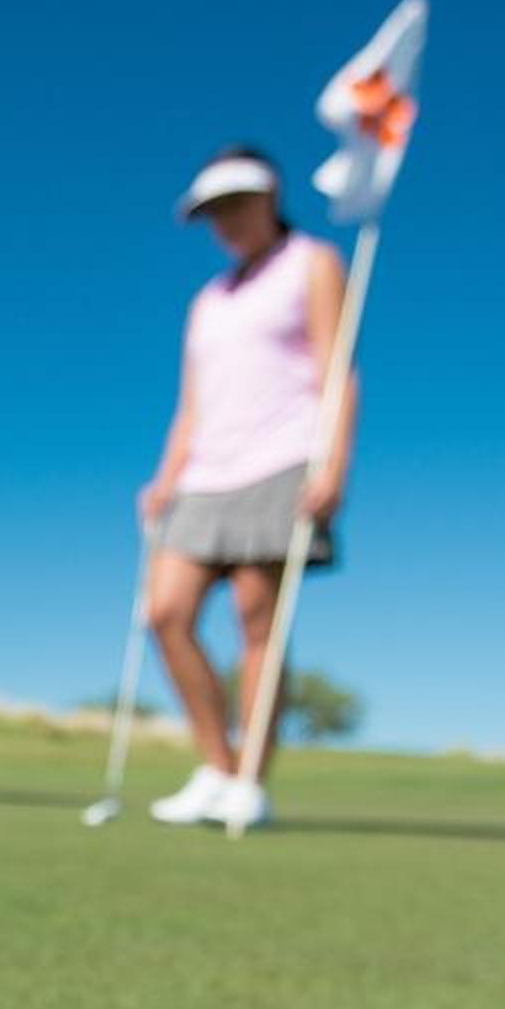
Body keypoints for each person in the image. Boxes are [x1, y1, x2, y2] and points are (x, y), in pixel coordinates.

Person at [135, 145, 357, 830]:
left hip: (282, 459)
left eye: (233, 206)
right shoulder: (209, 301)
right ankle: (216, 765)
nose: (224, 222)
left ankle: (250, 782)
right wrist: (165, 477)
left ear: (268, 198)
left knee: (256, 621)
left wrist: (333, 465)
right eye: (212, 213)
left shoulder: (312, 262)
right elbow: (192, 404)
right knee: (165, 614)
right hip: (206, 473)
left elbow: (337, 368)